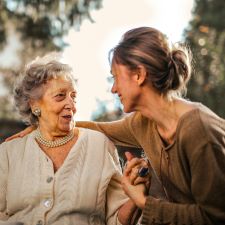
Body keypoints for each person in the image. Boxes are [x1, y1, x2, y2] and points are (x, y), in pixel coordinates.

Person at [7, 27, 225, 225]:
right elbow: (100, 128)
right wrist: (42, 126)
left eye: (116, 77)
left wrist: (142, 201)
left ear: (139, 75)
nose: (113, 88)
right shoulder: (143, 123)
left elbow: (215, 217)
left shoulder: (199, 130)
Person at [0, 54, 149, 225]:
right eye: (60, 96)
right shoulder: (8, 153)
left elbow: (116, 220)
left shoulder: (99, 145)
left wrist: (135, 197)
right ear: (34, 105)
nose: (71, 104)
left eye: (73, 96)